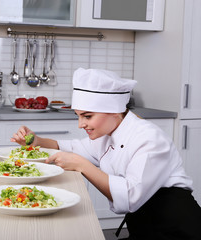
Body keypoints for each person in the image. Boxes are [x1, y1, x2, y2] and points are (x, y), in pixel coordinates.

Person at [11, 68, 201, 240]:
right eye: (78, 116)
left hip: (178, 230)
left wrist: (82, 166)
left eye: (87, 116)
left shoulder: (149, 139)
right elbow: (71, 147)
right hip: (145, 228)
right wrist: (37, 141)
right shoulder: (108, 135)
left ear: (114, 111)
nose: (80, 124)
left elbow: (130, 198)